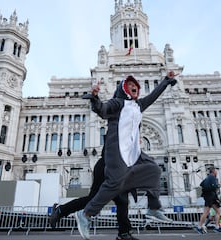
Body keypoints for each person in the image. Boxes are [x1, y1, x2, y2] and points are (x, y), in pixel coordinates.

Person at [75, 71, 177, 239]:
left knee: (154, 169)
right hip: (116, 150)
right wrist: (95, 98)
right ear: (124, 89)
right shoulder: (117, 103)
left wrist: (166, 81)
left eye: (135, 85)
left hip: (133, 151)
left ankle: (153, 208)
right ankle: (85, 214)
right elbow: (103, 109)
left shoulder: (138, 105)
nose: (134, 87)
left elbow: (154, 95)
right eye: (130, 85)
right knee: (114, 183)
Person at [50, 145, 139, 240]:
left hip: (114, 166)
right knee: (96, 198)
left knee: (122, 201)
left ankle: (124, 233)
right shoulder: (122, 133)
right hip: (109, 165)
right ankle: (63, 211)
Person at [195, 167, 221, 234]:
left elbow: (201, 184)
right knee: (210, 212)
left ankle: (216, 227)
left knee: (216, 211)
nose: (216, 173)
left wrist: (207, 188)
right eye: (216, 172)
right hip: (211, 196)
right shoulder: (213, 177)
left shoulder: (207, 178)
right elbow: (214, 186)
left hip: (208, 196)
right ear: (213, 172)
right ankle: (200, 227)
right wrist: (218, 186)